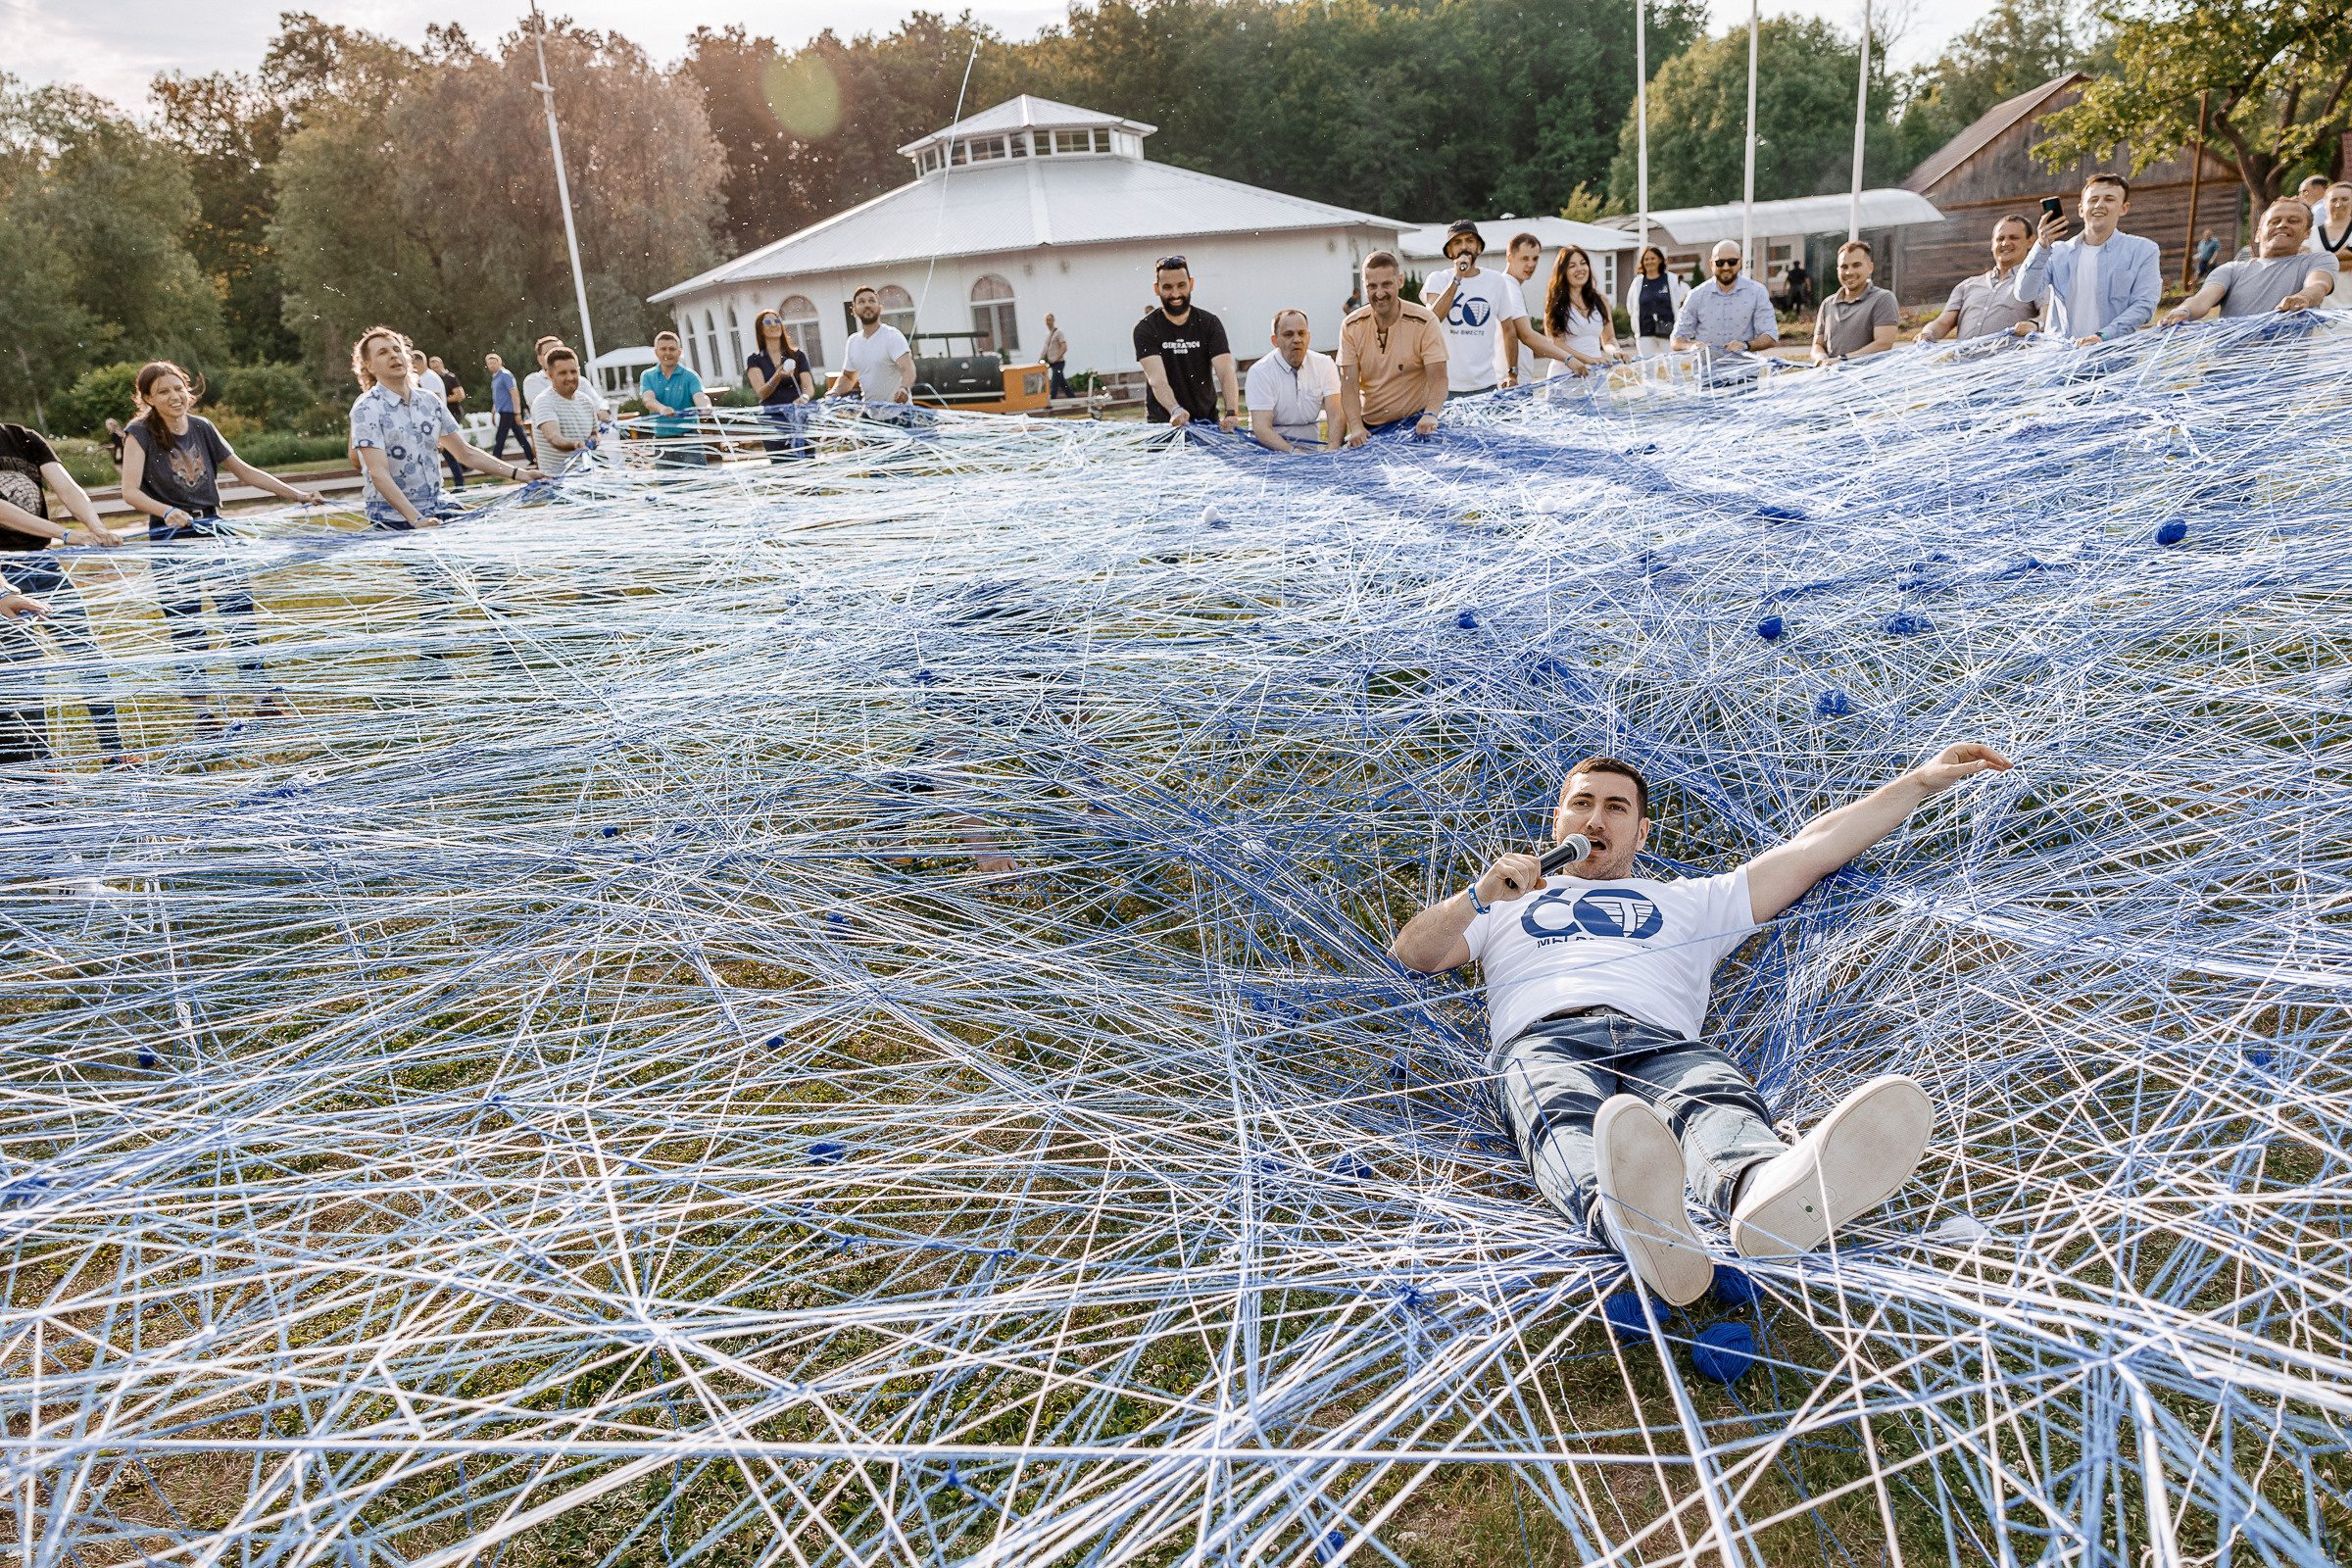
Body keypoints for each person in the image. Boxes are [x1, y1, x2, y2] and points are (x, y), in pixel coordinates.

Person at [1390, 744, 2012, 1304]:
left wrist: (1920, 782)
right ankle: (1634, 1226)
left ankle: (1762, 1191)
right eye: (1580, 804)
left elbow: (1813, 848)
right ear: (1559, 822)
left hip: (1664, 1042)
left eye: (1615, 808)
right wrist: (1477, 897)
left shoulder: (1689, 901)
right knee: (1564, 1119)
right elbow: (1412, 953)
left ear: (1640, 831)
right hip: (1544, 1040)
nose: (1595, 820)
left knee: (1712, 1101)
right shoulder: (1503, 903)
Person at [121, 360, 325, 738]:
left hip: (215, 529)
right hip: (171, 538)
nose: (174, 396)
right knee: (186, 624)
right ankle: (204, 715)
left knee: (238, 615)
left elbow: (245, 471)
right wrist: (167, 511)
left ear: (188, 389)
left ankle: (263, 699)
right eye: (162, 391)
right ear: (148, 398)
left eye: (178, 387)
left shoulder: (203, 428)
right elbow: (129, 491)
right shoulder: (139, 433)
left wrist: (297, 495)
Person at [0, 420, 137, 765]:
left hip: (42, 566)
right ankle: (40, 767)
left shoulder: (22, 437)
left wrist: (96, 526)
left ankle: (113, 751)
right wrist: (65, 534)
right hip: (1, 576)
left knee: (85, 652)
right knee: (26, 670)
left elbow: (68, 488)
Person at [351, 325, 539, 529]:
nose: (393, 356)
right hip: (393, 517)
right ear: (369, 366)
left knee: (485, 551)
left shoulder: (429, 401)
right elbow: (377, 472)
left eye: (397, 350)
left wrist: (521, 474)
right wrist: (416, 520)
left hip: (437, 503)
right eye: (383, 352)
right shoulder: (367, 407)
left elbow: (465, 453)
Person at [2012, 173, 2162, 345]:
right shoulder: (2056, 253)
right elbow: (2024, 293)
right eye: (2093, 199)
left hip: (2112, 360)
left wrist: (2102, 337)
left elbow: (2144, 306)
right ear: (2081, 209)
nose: (2099, 205)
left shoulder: (2143, 250)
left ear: (2124, 208)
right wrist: (2041, 246)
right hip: (2058, 361)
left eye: (2109, 199)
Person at [1427, 221, 1566, 399]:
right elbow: (1432, 319)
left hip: (1485, 385)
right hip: (1446, 385)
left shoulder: (1495, 281)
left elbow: (1509, 329)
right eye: (1457, 242)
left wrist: (1512, 373)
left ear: (1479, 247)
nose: (1464, 246)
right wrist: (1457, 279)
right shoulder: (1437, 280)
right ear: (1450, 251)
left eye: (1469, 241)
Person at [2160, 200, 2339, 325]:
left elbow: (2318, 285)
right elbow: (2202, 299)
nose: (2282, 225)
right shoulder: (2231, 269)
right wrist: (2183, 312)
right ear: (2258, 234)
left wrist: (2303, 298)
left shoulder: (2318, 260)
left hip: (2285, 375)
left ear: (2307, 233)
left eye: (2293, 221)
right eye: (2274, 221)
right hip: (2226, 370)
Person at [1337, 251, 1446, 446]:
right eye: (1372, 286)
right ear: (1364, 286)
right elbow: (1349, 385)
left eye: (1386, 284)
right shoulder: (1351, 326)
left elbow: (1438, 378)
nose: (1379, 294)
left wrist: (1431, 414)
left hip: (1417, 423)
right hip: (1371, 428)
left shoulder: (1425, 321)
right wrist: (1356, 426)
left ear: (1400, 281)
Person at [1132, 257, 1240, 433]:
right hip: (1164, 426)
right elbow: (1156, 379)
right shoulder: (1145, 328)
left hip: (1208, 425)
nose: (1175, 294)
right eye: (1167, 287)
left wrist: (1231, 412)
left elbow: (1226, 371)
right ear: (1156, 289)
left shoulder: (1209, 323)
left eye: (1181, 285)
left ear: (1191, 284)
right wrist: (1175, 409)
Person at [1918, 216, 2041, 344]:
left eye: (2014, 238)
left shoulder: (2036, 280)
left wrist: (2034, 324)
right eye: (2000, 238)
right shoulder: (1967, 286)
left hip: (2007, 362)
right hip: (1963, 362)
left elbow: (2048, 315)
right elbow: (1943, 323)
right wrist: (1928, 333)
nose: (2005, 243)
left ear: (2030, 241)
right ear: (1992, 243)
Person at [1670, 241, 1780, 377]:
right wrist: (1691, 347)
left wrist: (1746, 345)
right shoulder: (1696, 296)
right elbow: (1677, 340)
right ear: (1711, 264)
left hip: (1744, 377)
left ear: (1740, 262)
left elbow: (1770, 336)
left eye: (1732, 262)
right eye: (1720, 262)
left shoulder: (1757, 292)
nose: (1726, 267)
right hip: (1708, 377)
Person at [1244, 309, 1341, 453]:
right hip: (1268, 454)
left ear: (1309, 336)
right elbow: (1261, 429)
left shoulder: (1325, 364)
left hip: (1310, 452)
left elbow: (1336, 414)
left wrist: (1332, 450)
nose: (1297, 339)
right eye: (1288, 334)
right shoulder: (1259, 372)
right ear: (1274, 340)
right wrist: (1294, 453)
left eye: (1301, 333)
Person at [1541, 245, 1628, 382]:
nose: (1580, 269)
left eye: (1583, 263)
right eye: (1572, 266)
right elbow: (1557, 343)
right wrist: (1589, 359)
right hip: (1564, 376)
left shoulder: (1601, 300)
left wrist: (1616, 350)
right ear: (1562, 272)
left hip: (1595, 374)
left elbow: (1609, 338)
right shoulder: (1555, 303)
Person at [1809, 240, 1900, 366]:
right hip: (1831, 379)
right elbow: (1817, 344)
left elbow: (1883, 343)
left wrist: (1842, 360)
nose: (1849, 272)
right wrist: (1821, 358)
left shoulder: (1883, 299)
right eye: (1844, 267)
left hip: (1868, 381)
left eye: (1856, 265)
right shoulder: (1827, 304)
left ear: (1870, 268)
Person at [744, 311, 815, 463]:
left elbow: (808, 387)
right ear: (760, 330)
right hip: (773, 423)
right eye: (768, 322)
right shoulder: (755, 360)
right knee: (784, 469)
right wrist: (777, 377)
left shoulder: (797, 355)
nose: (774, 325)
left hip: (799, 418)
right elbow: (762, 393)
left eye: (777, 320)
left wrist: (803, 398)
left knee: (808, 466)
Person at [832, 286, 917, 415]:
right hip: (870, 416)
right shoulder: (852, 341)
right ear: (854, 311)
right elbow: (849, 378)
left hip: (899, 415)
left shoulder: (892, 336)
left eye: (872, 301)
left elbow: (908, 368)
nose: (867, 305)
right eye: (861, 302)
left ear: (880, 308)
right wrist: (835, 392)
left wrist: (904, 388)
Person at [637, 331, 713, 470]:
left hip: (690, 439)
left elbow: (699, 396)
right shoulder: (648, 376)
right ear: (656, 352)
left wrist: (706, 406)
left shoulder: (690, 376)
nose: (668, 353)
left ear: (679, 352)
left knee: (697, 484)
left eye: (672, 349)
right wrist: (662, 409)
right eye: (663, 349)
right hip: (662, 440)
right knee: (668, 487)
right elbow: (648, 399)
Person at [531, 348, 606, 476]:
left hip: (589, 477)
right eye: (562, 373)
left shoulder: (586, 401)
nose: (570, 377)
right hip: (558, 483)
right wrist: (576, 444)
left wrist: (594, 440)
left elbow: (595, 433)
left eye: (573, 371)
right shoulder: (544, 402)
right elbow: (554, 438)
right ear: (550, 375)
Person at [412, 351, 467, 490]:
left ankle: (459, 484)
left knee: (449, 453)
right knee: (449, 454)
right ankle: (457, 483)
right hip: (435, 422)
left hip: (435, 422)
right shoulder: (428, 377)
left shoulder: (428, 378)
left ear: (415, 364)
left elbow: (434, 400)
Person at [1623, 246, 1690, 359]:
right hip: (1645, 331)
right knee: (1647, 367)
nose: (1649, 262)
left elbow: (1685, 296)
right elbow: (1631, 305)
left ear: (1660, 260)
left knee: (1673, 364)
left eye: (1653, 258)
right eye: (1646, 259)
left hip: (1668, 330)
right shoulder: (1638, 282)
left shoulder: (1670, 279)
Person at [2304, 181, 2352, 304]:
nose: (2338, 204)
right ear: (2325, 203)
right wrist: (2342, 258)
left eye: (2345, 199)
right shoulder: (2310, 234)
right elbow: (2303, 265)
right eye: (2333, 200)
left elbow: (2312, 264)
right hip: (2319, 306)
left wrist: (2320, 263)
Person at [484, 352, 533, 465]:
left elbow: (514, 393)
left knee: (500, 436)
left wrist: (517, 412)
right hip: (502, 410)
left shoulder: (505, 375)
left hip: (509, 411)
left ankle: (495, 461)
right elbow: (498, 396)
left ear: (499, 362)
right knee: (520, 436)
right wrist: (493, 411)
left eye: (494, 363)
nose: (491, 365)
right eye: (489, 363)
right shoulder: (495, 377)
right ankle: (531, 458)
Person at [1041, 313, 1073, 401]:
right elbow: (1045, 348)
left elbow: (1064, 347)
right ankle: (1073, 398)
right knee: (1062, 383)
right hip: (1050, 362)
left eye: (1050, 320)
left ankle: (1051, 403)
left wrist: (1056, 358)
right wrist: (1041, 358)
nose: (1048, 322)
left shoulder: (1059, 332)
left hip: (1058, 362)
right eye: (1047, 320)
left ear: (1053, 320)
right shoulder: (1047, 333)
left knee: (1054, 382)